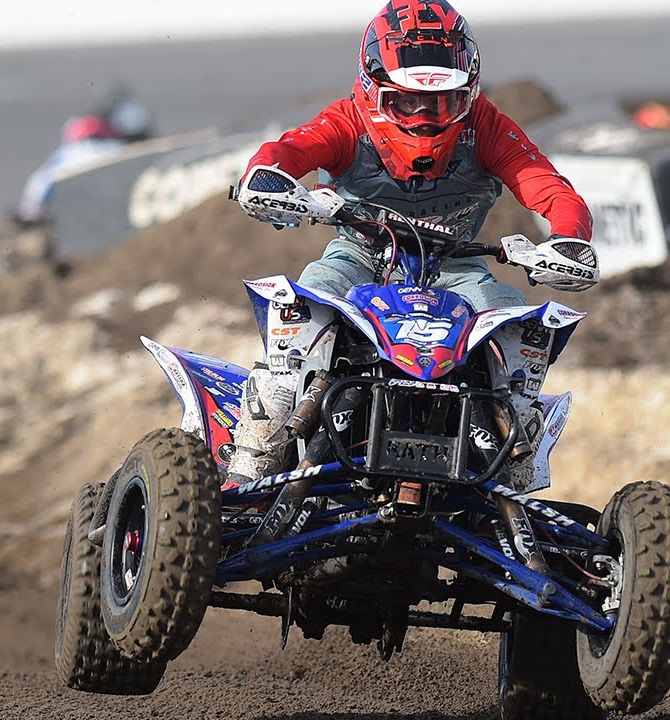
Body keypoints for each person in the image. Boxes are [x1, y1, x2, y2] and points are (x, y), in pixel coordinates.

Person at [226, 0, 596, 484]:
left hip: (454, 265)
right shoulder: (347, 120)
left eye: (443, 104)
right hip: (359, 254)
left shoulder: (486, 124)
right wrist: (267, 177)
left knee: (514, 322)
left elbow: (550, 189)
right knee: (303, 303)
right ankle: (246, 472)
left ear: (469, 93)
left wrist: (568, 241)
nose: (425, 118)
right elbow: (288, 151)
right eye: (408, 102)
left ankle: (516, 474)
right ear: (372, 89)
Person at [14, 114, 126, 227]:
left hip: (73, 211)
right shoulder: (117, 147)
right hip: (115, 207)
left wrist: (29, 213)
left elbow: (40, 184)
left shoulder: (66, 154)